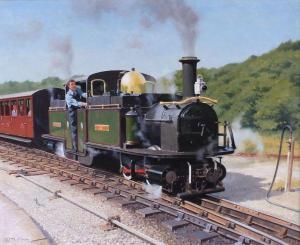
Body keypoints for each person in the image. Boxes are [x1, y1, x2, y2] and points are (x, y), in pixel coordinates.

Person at [65, 79, 87, 152]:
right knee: (74, 129)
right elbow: (75, 103)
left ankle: (83, 144)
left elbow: (83, 94)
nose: (74, 85)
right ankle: (75, 147)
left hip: (79, 110)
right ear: (68, 86)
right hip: (72, 112)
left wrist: (89, 95)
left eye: (74, 84)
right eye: (72, 84)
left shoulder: (77, 89)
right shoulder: (68, 95)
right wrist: (84, 104)